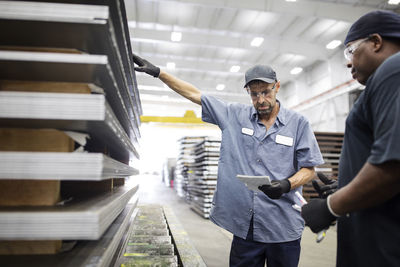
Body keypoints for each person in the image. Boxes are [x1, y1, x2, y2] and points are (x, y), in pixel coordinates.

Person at [133, 55, 324, 267]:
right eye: (254, 94)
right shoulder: (234, 115)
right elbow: (196, 94)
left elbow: (309, 168)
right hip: (247, 227)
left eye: (266, 92)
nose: (260, 100)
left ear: (277, 87)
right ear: (248, 93)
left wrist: (286, 184)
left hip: (283, 226)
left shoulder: (298, 124)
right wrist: (160, 73)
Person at [301, 10, 400, 267]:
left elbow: (393, 164)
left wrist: (331, 206)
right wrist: (347, 185)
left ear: (376, 42)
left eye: (351, 51)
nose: (347, 63)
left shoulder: (394, 70)